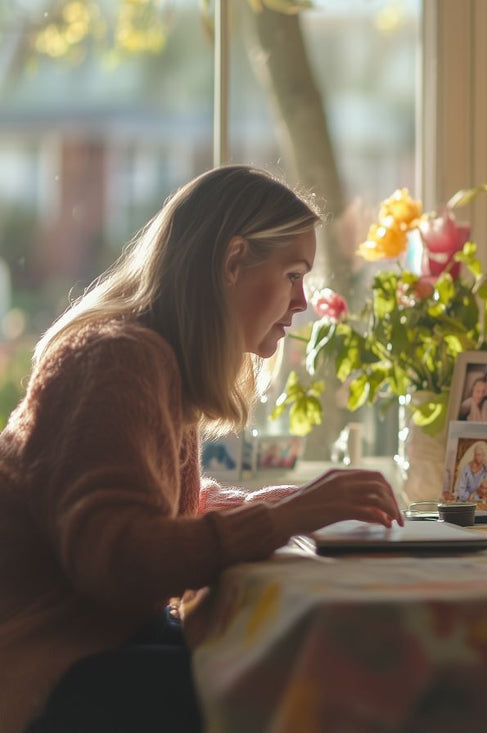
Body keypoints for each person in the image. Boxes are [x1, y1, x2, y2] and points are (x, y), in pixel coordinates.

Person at [0, 165, 405, 732]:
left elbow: (157, 504)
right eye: (292, 274)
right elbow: (115, 558)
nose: (303, 301)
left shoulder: (156, 359)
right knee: (318, 691)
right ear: (232, 260)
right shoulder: (117, 361)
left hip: (96, 646)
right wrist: (284, 516)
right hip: (48, 671)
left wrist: (269, 506)